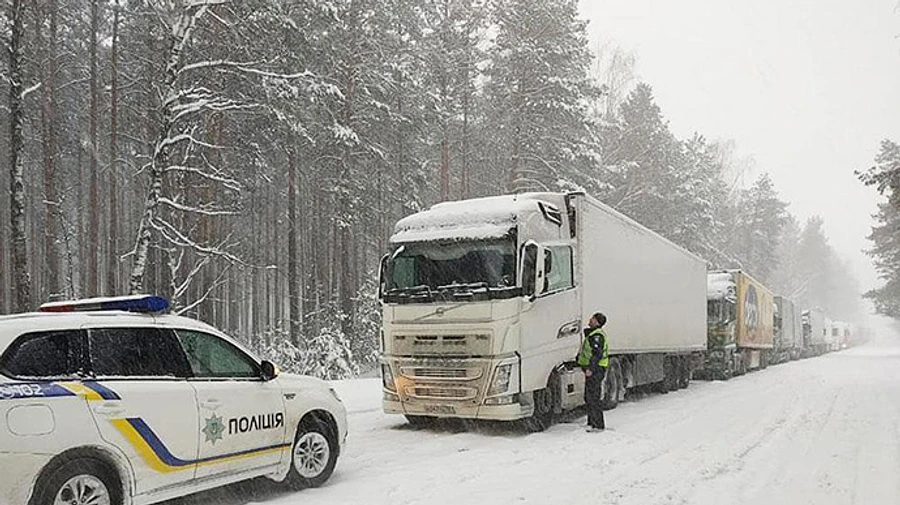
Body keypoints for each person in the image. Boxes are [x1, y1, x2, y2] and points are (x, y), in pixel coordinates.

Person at [577, 312, 609, 431]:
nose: (589, 320)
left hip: (596, 369)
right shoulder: (592, 334)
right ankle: (591, 422)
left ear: (597, 322)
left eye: (592, 318)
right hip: (593, 368)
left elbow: (597, 354)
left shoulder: (597, 336)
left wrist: (591, 368)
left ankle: (598, 425)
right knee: (589, 396)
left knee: (594, 397)